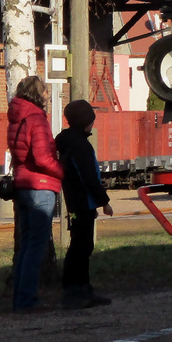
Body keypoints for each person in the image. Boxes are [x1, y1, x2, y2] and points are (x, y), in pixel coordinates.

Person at [7, 75, 64, 313]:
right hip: (40, 186)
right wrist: (62, 171)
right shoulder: (37, 119)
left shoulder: (16, 118)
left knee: (27, 244)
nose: (47, 96)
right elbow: (42, 158)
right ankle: (27, 299)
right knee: (35, 246)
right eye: (44, 92)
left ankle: (20, 297)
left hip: (22, 183)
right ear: (37, 94)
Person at [55, 100, 114, 309]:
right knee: (82, 247)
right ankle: (79, 291)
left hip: (73, 202)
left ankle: (76, 289)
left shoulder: (66, 142)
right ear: (85, 122)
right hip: (83, 203)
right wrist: (104, 201)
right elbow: (89, 177)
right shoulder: (81, 145)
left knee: (78, 246)